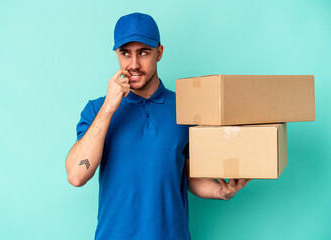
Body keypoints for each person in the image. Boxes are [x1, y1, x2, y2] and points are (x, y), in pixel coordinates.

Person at [65, 12, 251, 240]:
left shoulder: (186, 107)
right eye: (125, 54)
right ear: (117, 55)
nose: (133, 64)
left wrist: (220, 191)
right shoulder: (97, 110)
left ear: (159, 53)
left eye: (143, 52)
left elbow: (190, 175)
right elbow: (76, 175)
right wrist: (109, 107)